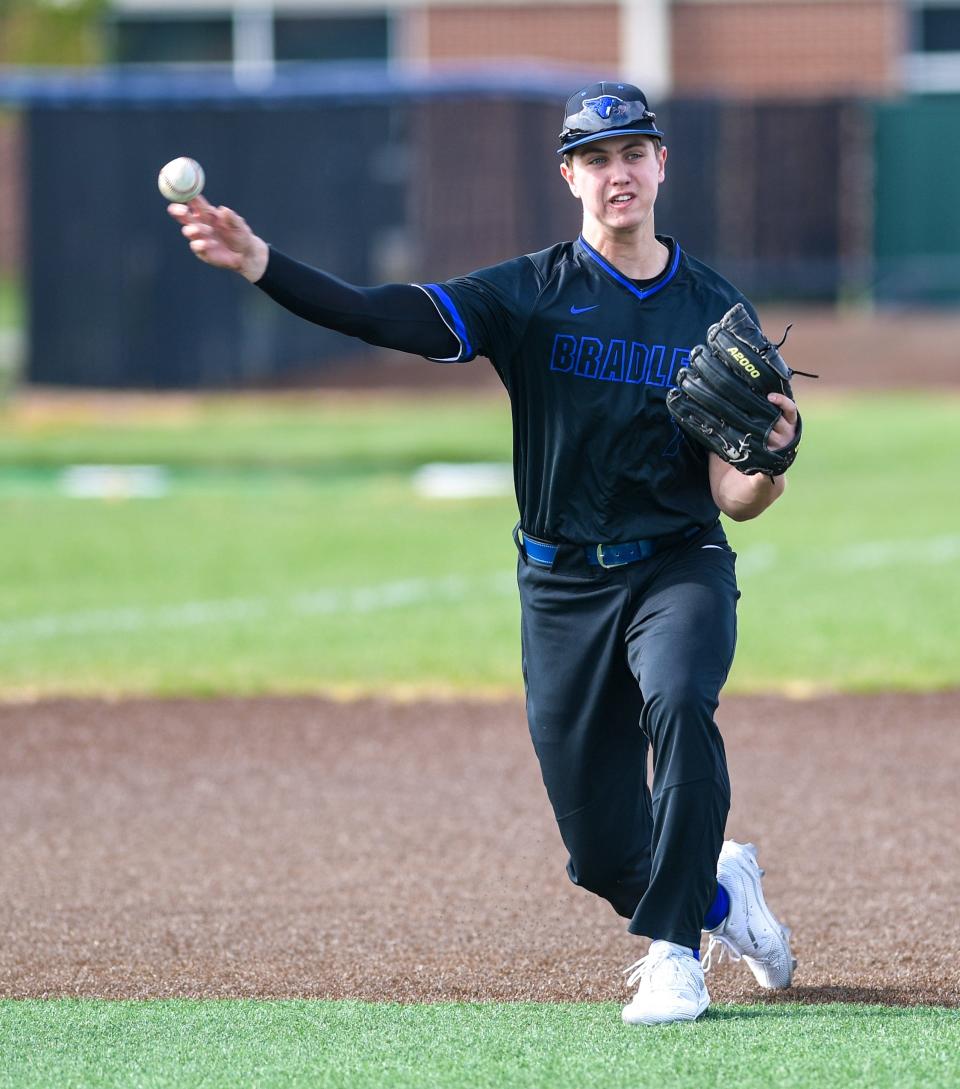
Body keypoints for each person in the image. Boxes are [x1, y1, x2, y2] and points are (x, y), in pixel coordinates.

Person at [168, 80, 798, 1026]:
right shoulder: (530, 295)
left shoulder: (714, 311)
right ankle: (720, 897)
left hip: (677, 563)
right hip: (560, 586)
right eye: (595, 158)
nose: (616, 172)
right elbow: (390, 315)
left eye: (633, 153)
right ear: (569, 177)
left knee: (678, 698)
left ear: (662, 164)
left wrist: (774, 460)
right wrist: (262, 263)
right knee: (598, 853)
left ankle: (674, 955)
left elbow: (736, 499)